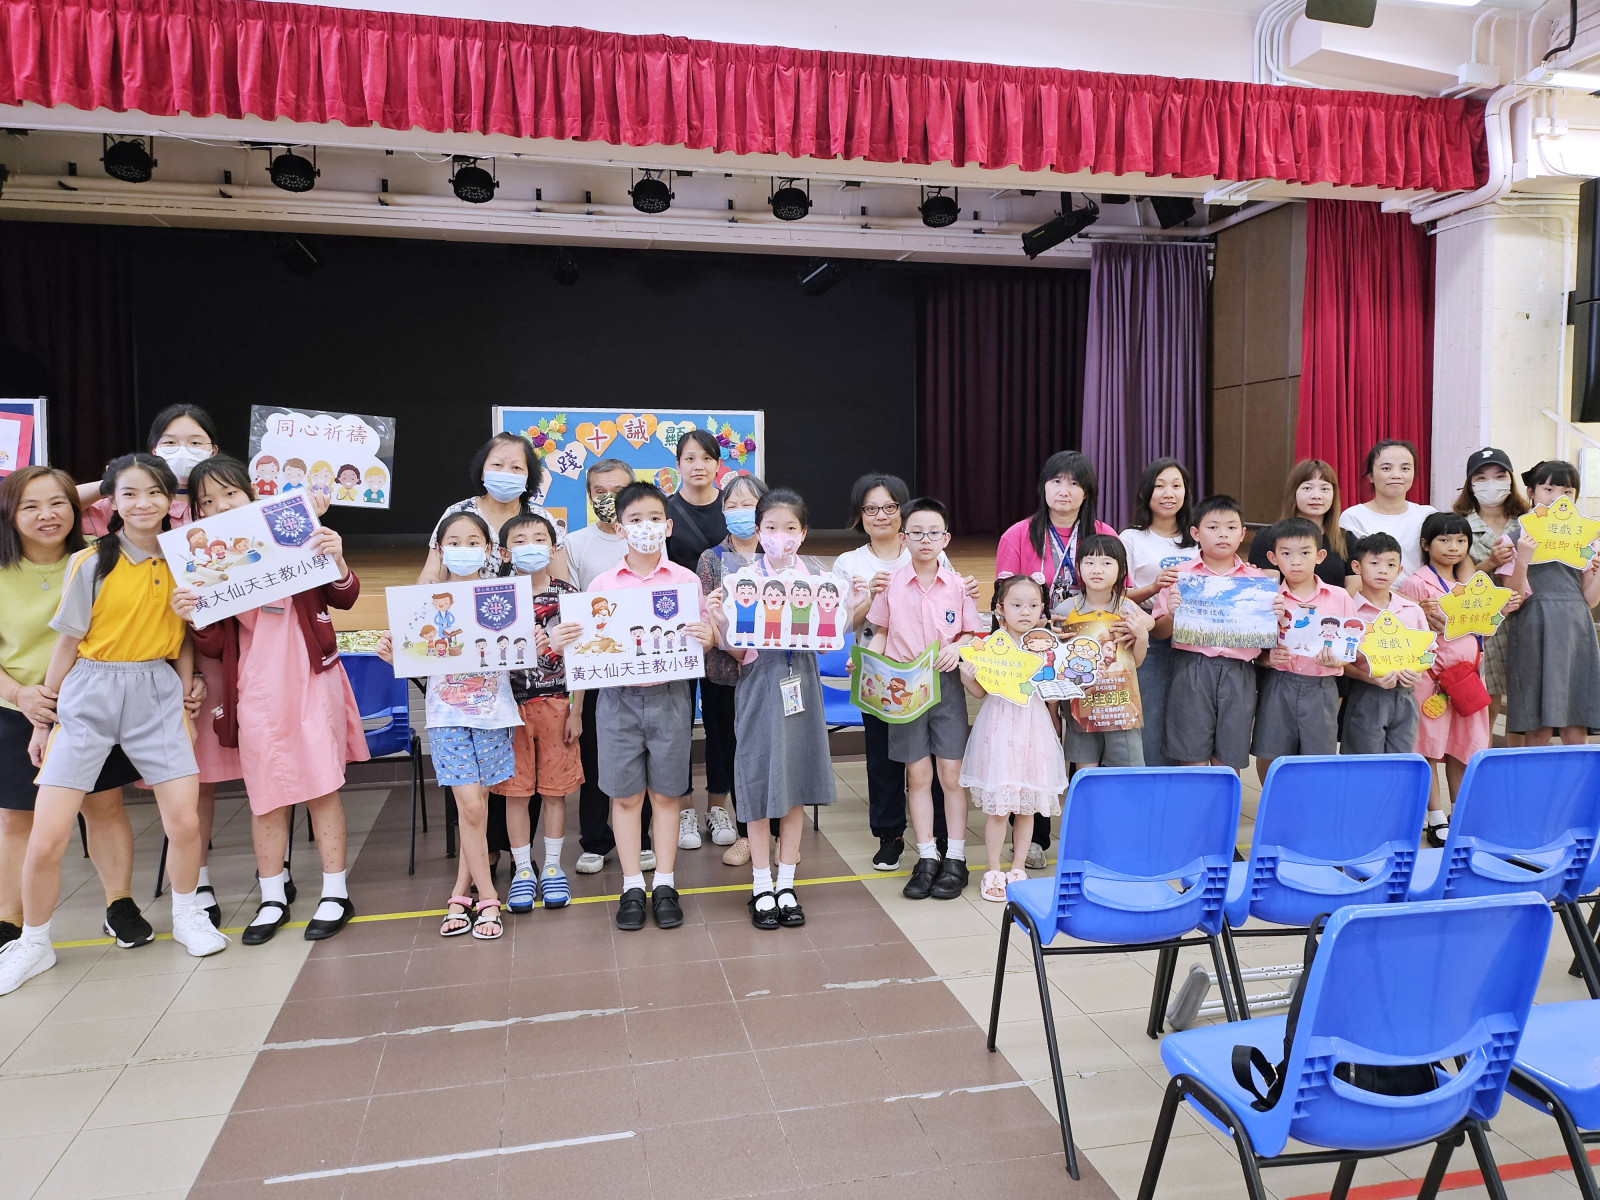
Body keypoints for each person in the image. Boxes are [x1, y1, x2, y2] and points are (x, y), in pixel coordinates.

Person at [1, 454, 229, 995]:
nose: (143, 503)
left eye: (154, 492)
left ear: (170, 499)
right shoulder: (91, 562)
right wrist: (44, 721)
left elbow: (184, 640)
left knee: (184, 822)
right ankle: (34, 942)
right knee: (47, 835)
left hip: (157, 692)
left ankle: (187, 915)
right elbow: (68, 644)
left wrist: (185, 692)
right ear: (111, 502)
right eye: (129, 494)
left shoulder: (189, 559)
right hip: (89, 690)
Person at [172, 456, 368, 945]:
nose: (221, 506)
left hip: (311, 676)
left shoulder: (294, 532)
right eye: (207, 502)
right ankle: (272, 895)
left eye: (229, 494)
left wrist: (337, 557)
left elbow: (344, 597)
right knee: (265, 792)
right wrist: (194, 616)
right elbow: (216, 645)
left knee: (322, 786)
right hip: (255, 687)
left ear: (250, 493)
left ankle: (336, 892)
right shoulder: (206, 564)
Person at [78, 404, 242, 919]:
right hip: (154, 662)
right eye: (170, 443)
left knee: (204, 772)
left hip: (214, 651)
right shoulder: (133, 505)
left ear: (214, 450)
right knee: (191, 780)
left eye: (196, 443)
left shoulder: (218, 501)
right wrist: (122, 479)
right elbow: (49, 502)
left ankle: (240, 882)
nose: (183, 452)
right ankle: (199, 883)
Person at [550, 482, 714, 932]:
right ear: (620, 528)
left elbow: (703, 636)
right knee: (624, 797)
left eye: (654, 519)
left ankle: (665, 883)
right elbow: (584, 648)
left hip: (671, 696)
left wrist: (709, 637)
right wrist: (564, 642)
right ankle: (631, 886)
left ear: (668, 526)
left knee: (666, 794)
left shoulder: (685, 581)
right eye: (636, 520)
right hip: (616, 700)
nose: (646, 528)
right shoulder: (602, 585)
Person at [0, 467, 149, 952]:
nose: (47, 515)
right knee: (16, 818)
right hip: (17, 709)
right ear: (9, 514)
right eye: (30, 506)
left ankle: (120, 905)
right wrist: (20, 695)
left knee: (103, 806)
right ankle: (9, 920)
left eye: (58, 503)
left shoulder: (99, 558)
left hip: (92, 705)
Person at [711, 488, 849, 929]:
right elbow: (736, 650)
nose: (780, 536)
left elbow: (828, 639)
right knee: (756, 779)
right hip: (756, 685)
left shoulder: (818, 578)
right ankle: (760, 884)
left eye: (790, 528)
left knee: (794, 779)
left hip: (802, 684)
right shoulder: (741, 580)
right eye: (770, 527)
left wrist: (856, 601)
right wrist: (719, 619)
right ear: (758, 531)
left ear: (803, 533)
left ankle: (786, 882)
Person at [381, 511, 520, 941]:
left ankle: (461, 891)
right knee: (472, 807)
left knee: (475, 805)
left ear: (490, 550)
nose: (463, 550)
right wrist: (395, 655)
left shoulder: (501, 596)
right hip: (446, 716)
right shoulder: (422, 602)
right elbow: (416, 658)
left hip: (493, 713)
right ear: (439, 550)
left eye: (473, 542)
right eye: (454, 543)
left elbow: (516, 652)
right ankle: (489, 898)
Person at [832, 473, 960, 870]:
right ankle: (890, 836)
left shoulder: (924, 547)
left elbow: (952, 603)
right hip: (878, 672)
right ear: (859, 515)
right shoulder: (849, 563)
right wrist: (869, 596)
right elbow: (839, 625)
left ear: (903, 512)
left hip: (928, 673)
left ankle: (939, 835)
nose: (881, 515)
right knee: (882, 758)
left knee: (931, 759)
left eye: (890, 506)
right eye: (871, 508)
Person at [866, 498, 983, 901]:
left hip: (946, 686)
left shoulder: (959, 586)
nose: (925, 540)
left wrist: (958, 647)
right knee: (917, 776)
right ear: (904, 538)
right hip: (904, 688)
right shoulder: (891, 584)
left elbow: (970, 634)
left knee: (951, 775)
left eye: (934, 532)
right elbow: (881, 631)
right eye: (916, 533)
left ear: (946, 538)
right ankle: (927, 857)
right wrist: (868, 662)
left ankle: (956, 858)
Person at [957, 575, 1067, 903]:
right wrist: (968, 677)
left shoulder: (1045, 646)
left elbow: (1052, 690)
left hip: (1034, 728)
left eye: (1032, 605)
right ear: (1000, 609)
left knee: (1026, 806)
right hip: (999, 727)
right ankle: (993, 869)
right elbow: (980, 692)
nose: (1025, 611)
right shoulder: (992, 646)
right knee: (999, 808)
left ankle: (1018, 868)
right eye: (1017, 605)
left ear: (1042, 609)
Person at [562, 457, 644, 876]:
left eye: (619, 491)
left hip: (645, 666)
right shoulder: (575, 544)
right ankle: (595, 839)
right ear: (589, 496)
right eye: (600, 491)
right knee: (594, 755)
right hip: (597, 666)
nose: (609, 498)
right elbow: (572, 612)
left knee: (643, 754)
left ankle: (643, 838)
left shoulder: (646, 536)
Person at [497, 512, 581, 914]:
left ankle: (551, 868)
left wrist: (576, 711)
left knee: (554, 790)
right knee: (516, 794)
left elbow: (583, 659)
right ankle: (521, 871)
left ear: (553, 547)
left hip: (557, 704)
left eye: (538, 539)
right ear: (504, 552)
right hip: (509, 708)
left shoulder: (569, 595)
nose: (530, 546)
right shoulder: (494, 597)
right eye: (519, 540)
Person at [1399, 513, 1500, 843]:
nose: (1453, 547)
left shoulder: (1471, 587)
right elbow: (1408, 629)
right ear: (1426, 545)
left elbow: (1485, 627)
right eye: (1443, 540)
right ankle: (1435, 817)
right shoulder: (1417, 582)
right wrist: (1421, 613)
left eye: (1460, 540)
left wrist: (1505, 608)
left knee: (1463, 746)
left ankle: (1461, 812)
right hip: (1433, 682)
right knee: (1429, 747)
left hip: (1468, 679)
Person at [1151, 495, 1268, 771]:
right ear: (1196, 533)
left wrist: (1274, 616)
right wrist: (1173, 614)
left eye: (1231, 527)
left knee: (1229, 756)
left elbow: (1266, 640)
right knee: (1190, 751)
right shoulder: (1180, 576)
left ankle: (1225, 801)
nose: (1223, 534)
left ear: (1242, 534)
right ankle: (1195, 800)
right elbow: (1158, 632)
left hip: (1239, 670)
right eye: (1213, 527)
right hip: (1191, 667)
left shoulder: (1257, 581)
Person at [695, 473, 770, 867]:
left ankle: (774, 833)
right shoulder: (711, 559)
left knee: (768, 752)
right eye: (733, 505)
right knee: (730, 749)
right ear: (723, 511)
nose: (741, 512)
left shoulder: (779, 556)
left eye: (749, 504)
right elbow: (706, 616)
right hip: (724, 676)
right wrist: (730, 641)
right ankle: (744, 833)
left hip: (770, 673)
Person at [1251, 517, 1357, 777]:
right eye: (1286, 553)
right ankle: (1275, 799)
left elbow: (1353, 644)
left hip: (1322, 686)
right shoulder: (1267, 598)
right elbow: (1253, 647)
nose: (1295, 561)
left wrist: (1339, 660)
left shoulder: (1339, 596)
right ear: (1273, 558)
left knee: (1318, 755)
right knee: (1271, 751)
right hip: (1279, 682)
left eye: (1305, 553)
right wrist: (1266, 658)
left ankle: (1312, 801)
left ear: (1320, 556)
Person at [665, 429, 729, 853]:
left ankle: (718, 807)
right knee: (678, 723)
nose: (698, 465)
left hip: (724, 635)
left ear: (717, 464)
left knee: (722, 722)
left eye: (706, 458)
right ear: (678, 465)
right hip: (678, 634)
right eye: (690, 458)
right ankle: (685, 808)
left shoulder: (735, 508)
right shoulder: (666, 512)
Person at [1506, 460, 1600, 747]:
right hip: (1534, 628)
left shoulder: (1585, 540)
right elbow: (1512, 600)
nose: (1558, 497)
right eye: (1548, 489)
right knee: (1537, 725)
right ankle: (1535, 778)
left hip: (1576, 630)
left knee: (1575, 723)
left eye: (1567, 491)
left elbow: (1590, 600)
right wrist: (1522, 559)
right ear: (1531, 492)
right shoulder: (1514, 538)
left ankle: (1577, 778)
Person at [1119, 459, 1196, 767]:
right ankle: (1150, 783)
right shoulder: (1131, 538)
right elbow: (1116, 595)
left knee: (1188, 717)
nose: (1169, 493)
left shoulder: (1198, 538)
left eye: (1176, 486)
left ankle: (1181, 787)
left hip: (1193, 639)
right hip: (1148, 638)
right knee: (1149, 716)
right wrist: (1153, 587)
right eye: (1160, 485)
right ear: (1145, 492)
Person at [418, 433, 570, 585]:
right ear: (482, 472)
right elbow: (431, 574)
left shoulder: (542, 519)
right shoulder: (457, 513)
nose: (506, 473)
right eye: (497, 465)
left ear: (528, 478)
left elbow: (560, 582)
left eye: (516, 467)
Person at [1453, 447, 1529, 743]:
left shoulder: (1527, 522)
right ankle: (1481, 761)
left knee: (1523, 706)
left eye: (1499, 476)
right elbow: (1457, 582)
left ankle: (1517, 766)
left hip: (1526, 617)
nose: (1491, 484)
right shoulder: (1460, 524)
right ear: (1470, 484)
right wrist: (1491, 562)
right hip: (1484, 623)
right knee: (1488, 702)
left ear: (1510, 480)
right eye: (1481, 478)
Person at [1054, 534, 1149, 769]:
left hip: (1120, 706)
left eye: (1106, 563)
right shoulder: (1065, 610)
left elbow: (1135, 663)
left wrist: (1142, 635)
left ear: (1121, 569)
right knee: (1086, 768)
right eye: (1089, 562)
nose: (1097, 570)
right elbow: (1057, 664)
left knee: (1127, 770)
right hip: (1081, 706)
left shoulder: (1128, 609)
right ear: (1078, 568)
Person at [1342, 533, 1425, 757]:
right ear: (1357, 567)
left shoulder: (1412, 611)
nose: (1383, 571)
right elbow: (1342, 663)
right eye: (1375, 563)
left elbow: (1426, 654)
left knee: (1402, 761)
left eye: (1390, 564)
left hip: (1406, 695)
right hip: (1366, 693)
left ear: (1399, 570)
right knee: (1365, 762)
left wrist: (1416, 673)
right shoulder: (1348, 611)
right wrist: (1370, 678)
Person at [1338, 440, 1435, 581]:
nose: (1396, 475)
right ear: (1371, 476)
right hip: (1374, 594)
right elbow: (1356, 576)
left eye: (1405, 468)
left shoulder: (1427, 515)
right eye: (1386, 468)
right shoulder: (1353, 517)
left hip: (1425, 593)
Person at [1248, 460, 1354, 586]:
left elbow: (1353, 590)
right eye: (1307, 488)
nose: (1317, 496)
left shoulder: (1347, 540)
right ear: (1293, 492)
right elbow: (1269, 590)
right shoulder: (1267, 537)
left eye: (1325, 489)